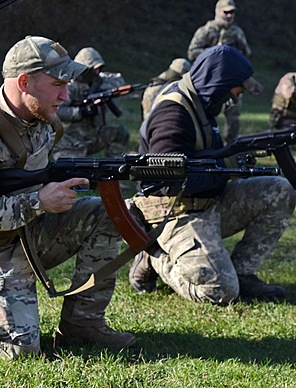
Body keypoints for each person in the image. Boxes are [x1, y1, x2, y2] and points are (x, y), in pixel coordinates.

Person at [0, 36, 136, 360]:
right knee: (18, 348)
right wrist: (39, 201)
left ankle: (83, 324)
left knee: (105, 213)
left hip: (29, 231)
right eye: (57, 84)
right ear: (24, 82)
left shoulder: (45, 120)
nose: (65, 95)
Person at [128, 45, 295, 305]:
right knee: (220, 291)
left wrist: (232, 164)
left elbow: (209, 162)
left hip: (208, 201)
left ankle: (243, 272)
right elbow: (167, 183)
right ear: (219, 84)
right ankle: (154, 257)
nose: (236, 100)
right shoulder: (173, 114)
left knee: (279, 189)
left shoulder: (203, 103)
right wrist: (225, 167)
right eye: (235, 92)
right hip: (174, 212)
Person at [187, 0, 254, 145]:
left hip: (232, 81)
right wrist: (214, 52)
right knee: (208, 113)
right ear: (218, 11)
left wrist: (236, 53)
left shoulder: (237, 32)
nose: (229, 15)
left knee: (234, 115)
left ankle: (230, 146)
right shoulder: (205, 31)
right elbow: (192, 52)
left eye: (232, 12)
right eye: (226, 12)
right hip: (209, 81)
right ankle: (209, 143)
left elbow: (246, 52)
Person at [52, 47, 129, 159]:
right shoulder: (68, 85)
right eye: (94, 69)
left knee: (120, 133)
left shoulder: (99, 81)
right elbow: (57, 111)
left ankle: (112, 169)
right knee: (75, 173)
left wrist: (100, 85)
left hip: (94, 136)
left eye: (99, 68)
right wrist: (81, 112)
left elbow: (119, 81)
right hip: (69, 142)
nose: (97, 72)